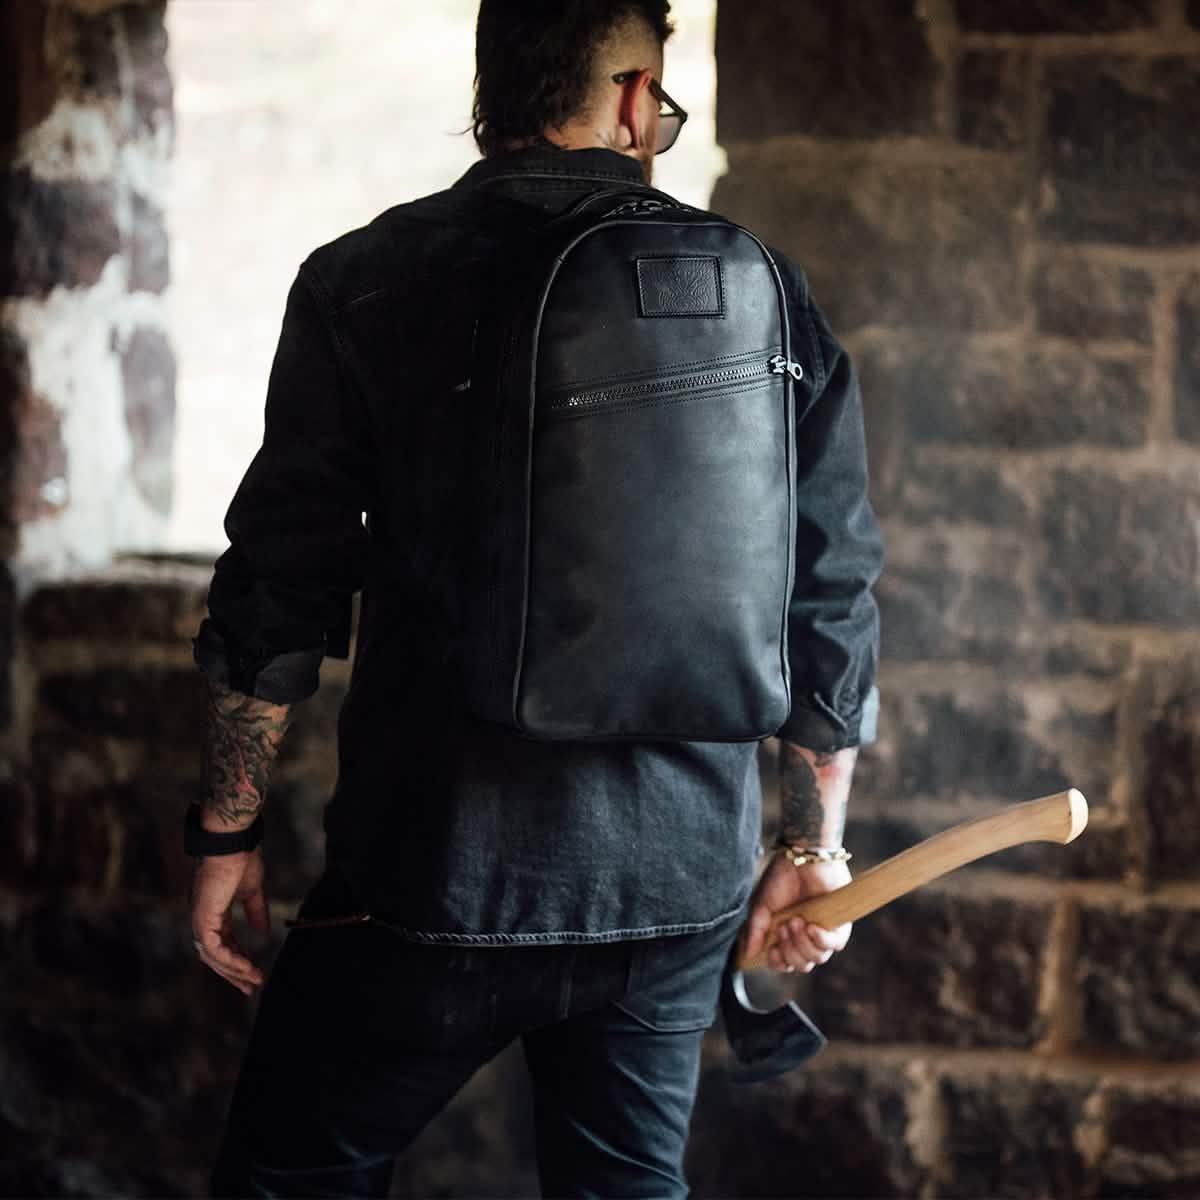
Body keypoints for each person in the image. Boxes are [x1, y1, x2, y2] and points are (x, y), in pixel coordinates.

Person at [187, 2, 883, 1196]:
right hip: (675, 894)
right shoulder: (765, 288)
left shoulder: (362, 280)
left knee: (288, 1179)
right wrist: (808, 846)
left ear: (495, 86)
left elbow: (280, 583)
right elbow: (830, 590)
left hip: (433, 878)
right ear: (629, 98)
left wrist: (225, 833)